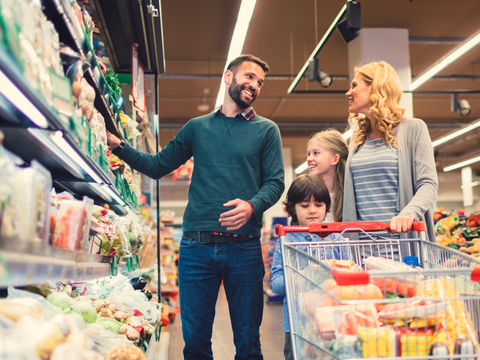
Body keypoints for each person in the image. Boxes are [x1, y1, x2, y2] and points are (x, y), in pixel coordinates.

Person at [106, 54, 285, 360]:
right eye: (250, 76)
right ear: (228, 77)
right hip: (196, 249)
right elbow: (157, 165)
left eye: (260, 82)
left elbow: (275, 182)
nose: (255, 85)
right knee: (196, 344)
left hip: (244, 249)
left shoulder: (267, 130)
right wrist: (118, 146)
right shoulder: (197, 128)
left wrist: (252, 207)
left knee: (248, 342)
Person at [343, 60, 438, 246]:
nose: (348, 92)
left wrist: (409, 213)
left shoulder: (413, 129)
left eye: (354, 85)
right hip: (362, 249)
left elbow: (428, 184)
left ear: (374, 88)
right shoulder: (357, 139)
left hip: (402, 247)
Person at [270, 174, 349, 360]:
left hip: (334, 321)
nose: (312, 211)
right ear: (293, 209)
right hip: (298, 325)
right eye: (305, 206)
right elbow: (276, 284)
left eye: (319, 205)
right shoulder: (285, 241)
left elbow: (349, 275)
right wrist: (300, 275)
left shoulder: (336, 238)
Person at [307, 128, 348, 222]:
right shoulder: (307, 195)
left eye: (316, 153)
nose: (309, 159)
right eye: (309, 154)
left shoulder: (348, 196)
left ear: (334, 159)